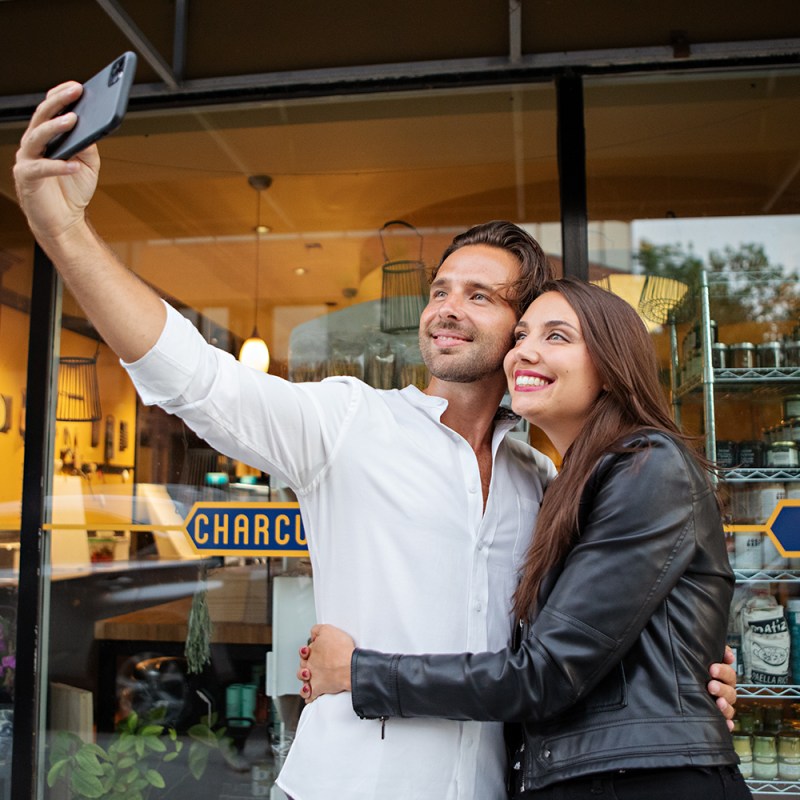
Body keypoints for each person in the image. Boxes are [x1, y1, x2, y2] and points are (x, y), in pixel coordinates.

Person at [13, 82, 737, 800]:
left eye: (480, 297)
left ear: (518, 331)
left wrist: (684, 679)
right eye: (440, 290)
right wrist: (65, 231)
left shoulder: (546, 486)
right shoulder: (347, 424)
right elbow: (196, 379)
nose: (447, 310)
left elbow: (572, 654)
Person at [300, 277, 751, 799]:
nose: (525, 352)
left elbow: (546, 672)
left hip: (642, 782)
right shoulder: (567, 484)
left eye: (556, 337)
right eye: (520, 336)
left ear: (610, 366)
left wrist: (359, 673)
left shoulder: (648, 468)